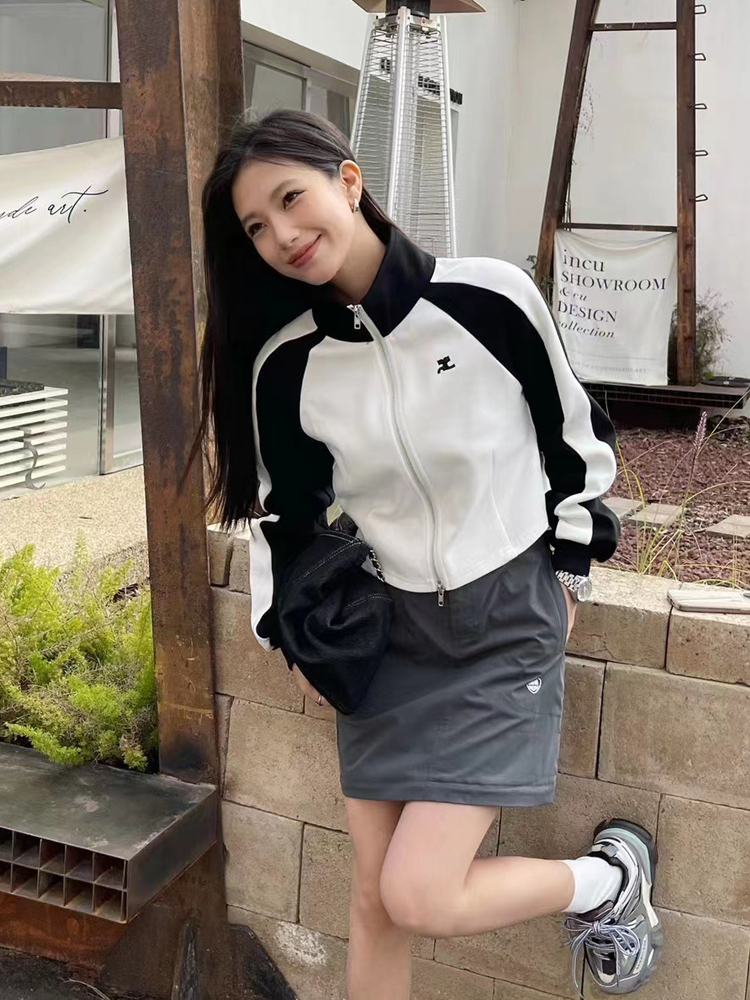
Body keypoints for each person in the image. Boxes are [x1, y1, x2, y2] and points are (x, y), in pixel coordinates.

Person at [186, 108, 663, 998]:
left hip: (503, 627)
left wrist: (569, 568)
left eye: (290, 199)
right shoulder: (288, 366)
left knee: (419, 893)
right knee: (374, 902)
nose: (281, 235)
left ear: (349, 181)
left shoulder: (488, 298)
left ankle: (608, 882)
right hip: (383, 641)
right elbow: (286, 517)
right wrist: (287, 633)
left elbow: (576, 440)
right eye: (255, 227)